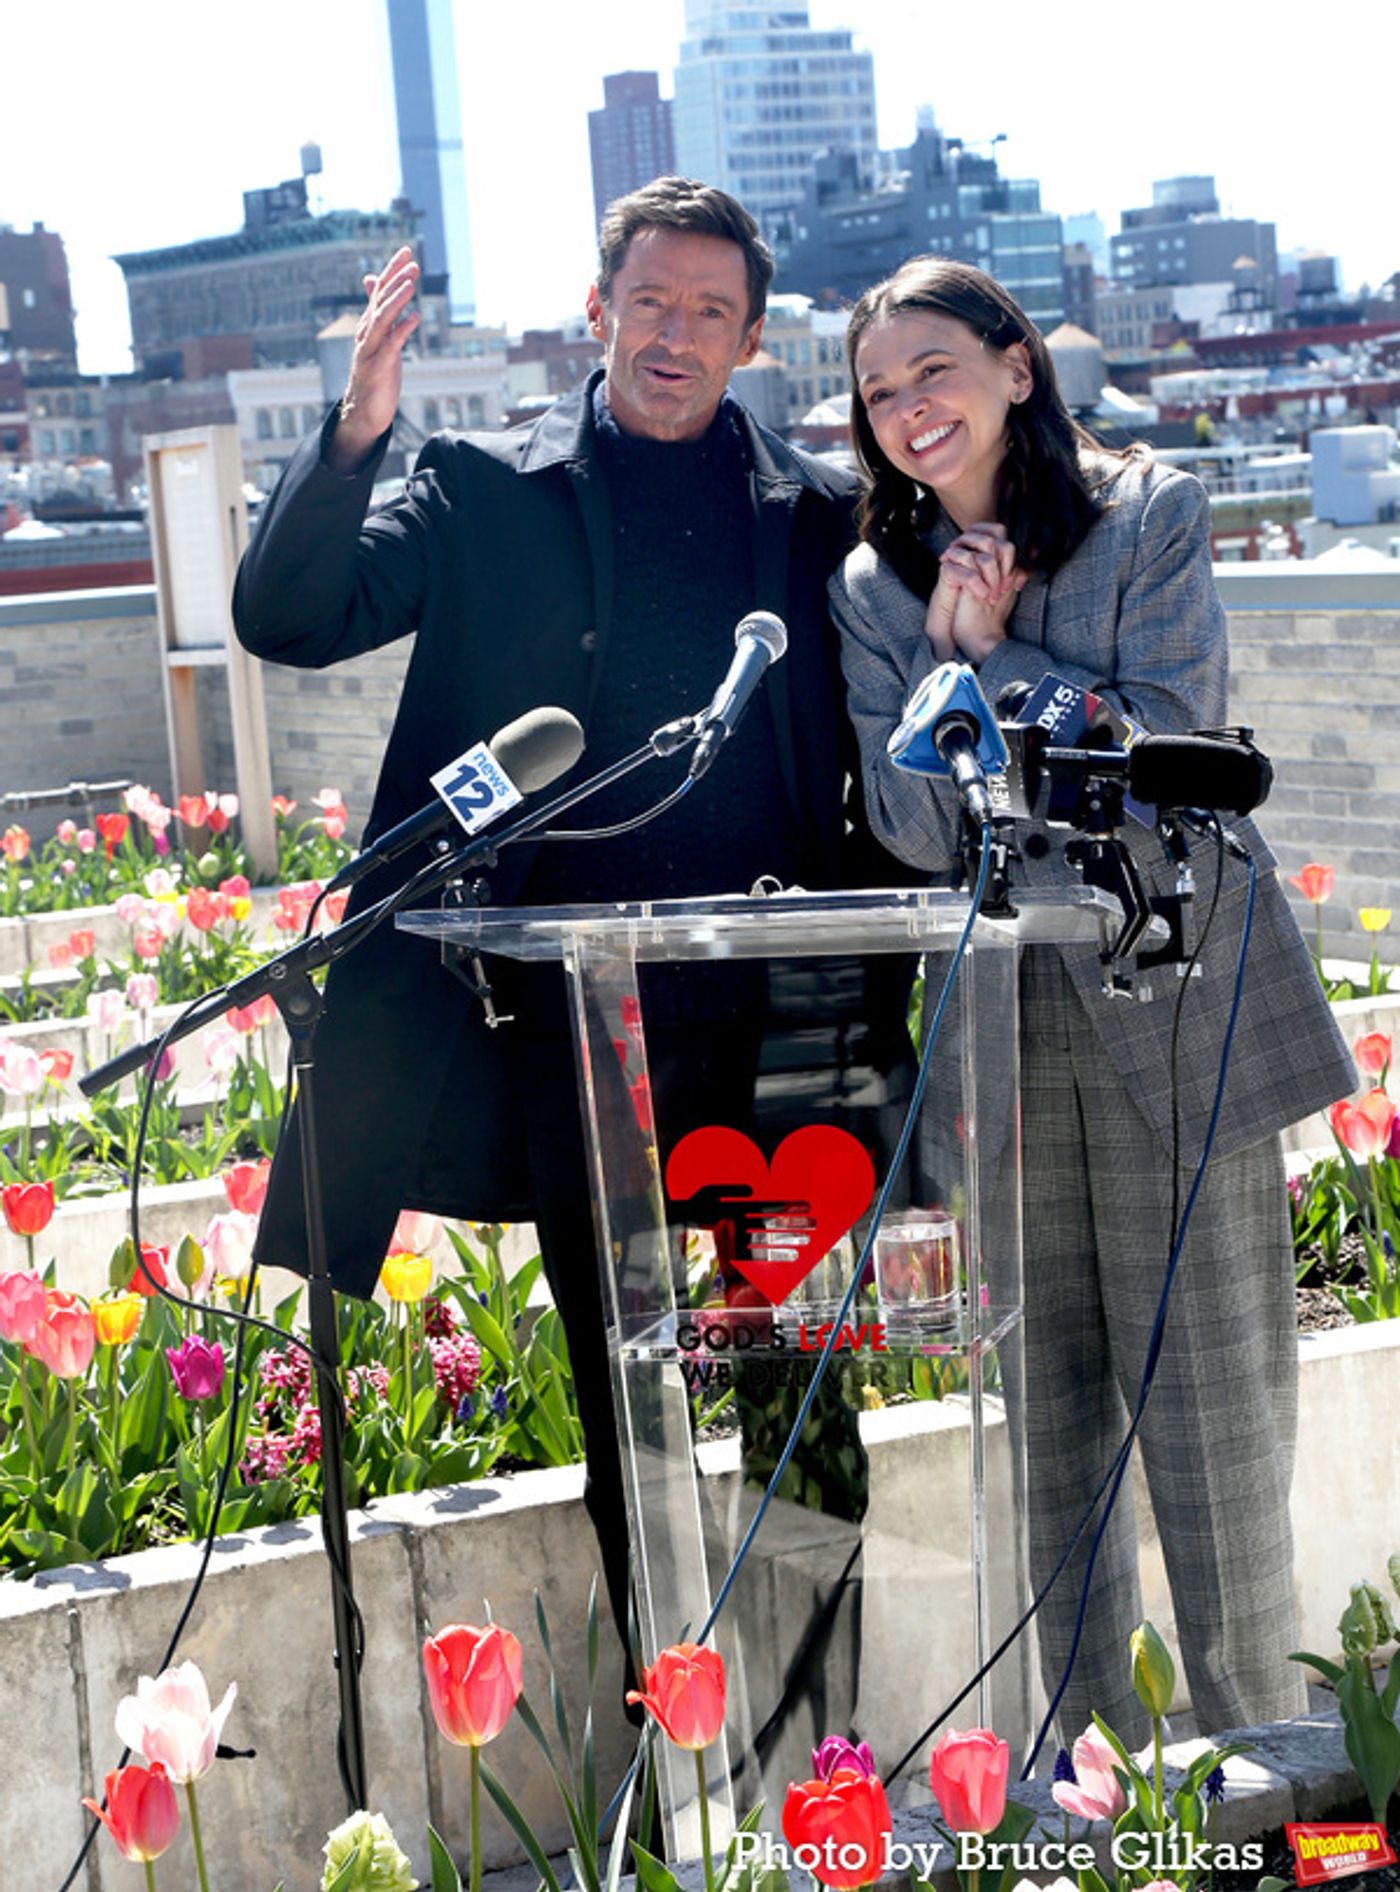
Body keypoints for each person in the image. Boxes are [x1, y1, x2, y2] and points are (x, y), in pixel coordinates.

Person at [232, 178, 907, 1666]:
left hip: (783, 1029)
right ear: (597, 314)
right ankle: (681, 1749)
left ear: (748, 342)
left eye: (711, 313)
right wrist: (357, 428)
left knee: (803, 1391)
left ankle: (824, 1731)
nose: (676, 335)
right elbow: (289, 618)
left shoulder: (818, 516)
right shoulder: (481, 486)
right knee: (633, 1405)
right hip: (577, 1036)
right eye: (650, 303)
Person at [829, 256, 1354, 1746]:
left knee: (1210, 1425)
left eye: (933, 370)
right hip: (1000, 1027)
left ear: (1014, 368)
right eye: (877, 393)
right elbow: (921, 831)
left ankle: (1267, 1764)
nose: (906, 410)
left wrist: (1002, 659)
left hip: (1166, 997)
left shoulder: (1151, 516)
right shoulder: (875, 589)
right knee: (1049, 1433)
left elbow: (1174, 750)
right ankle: (1086, 1774)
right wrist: (938, 662)